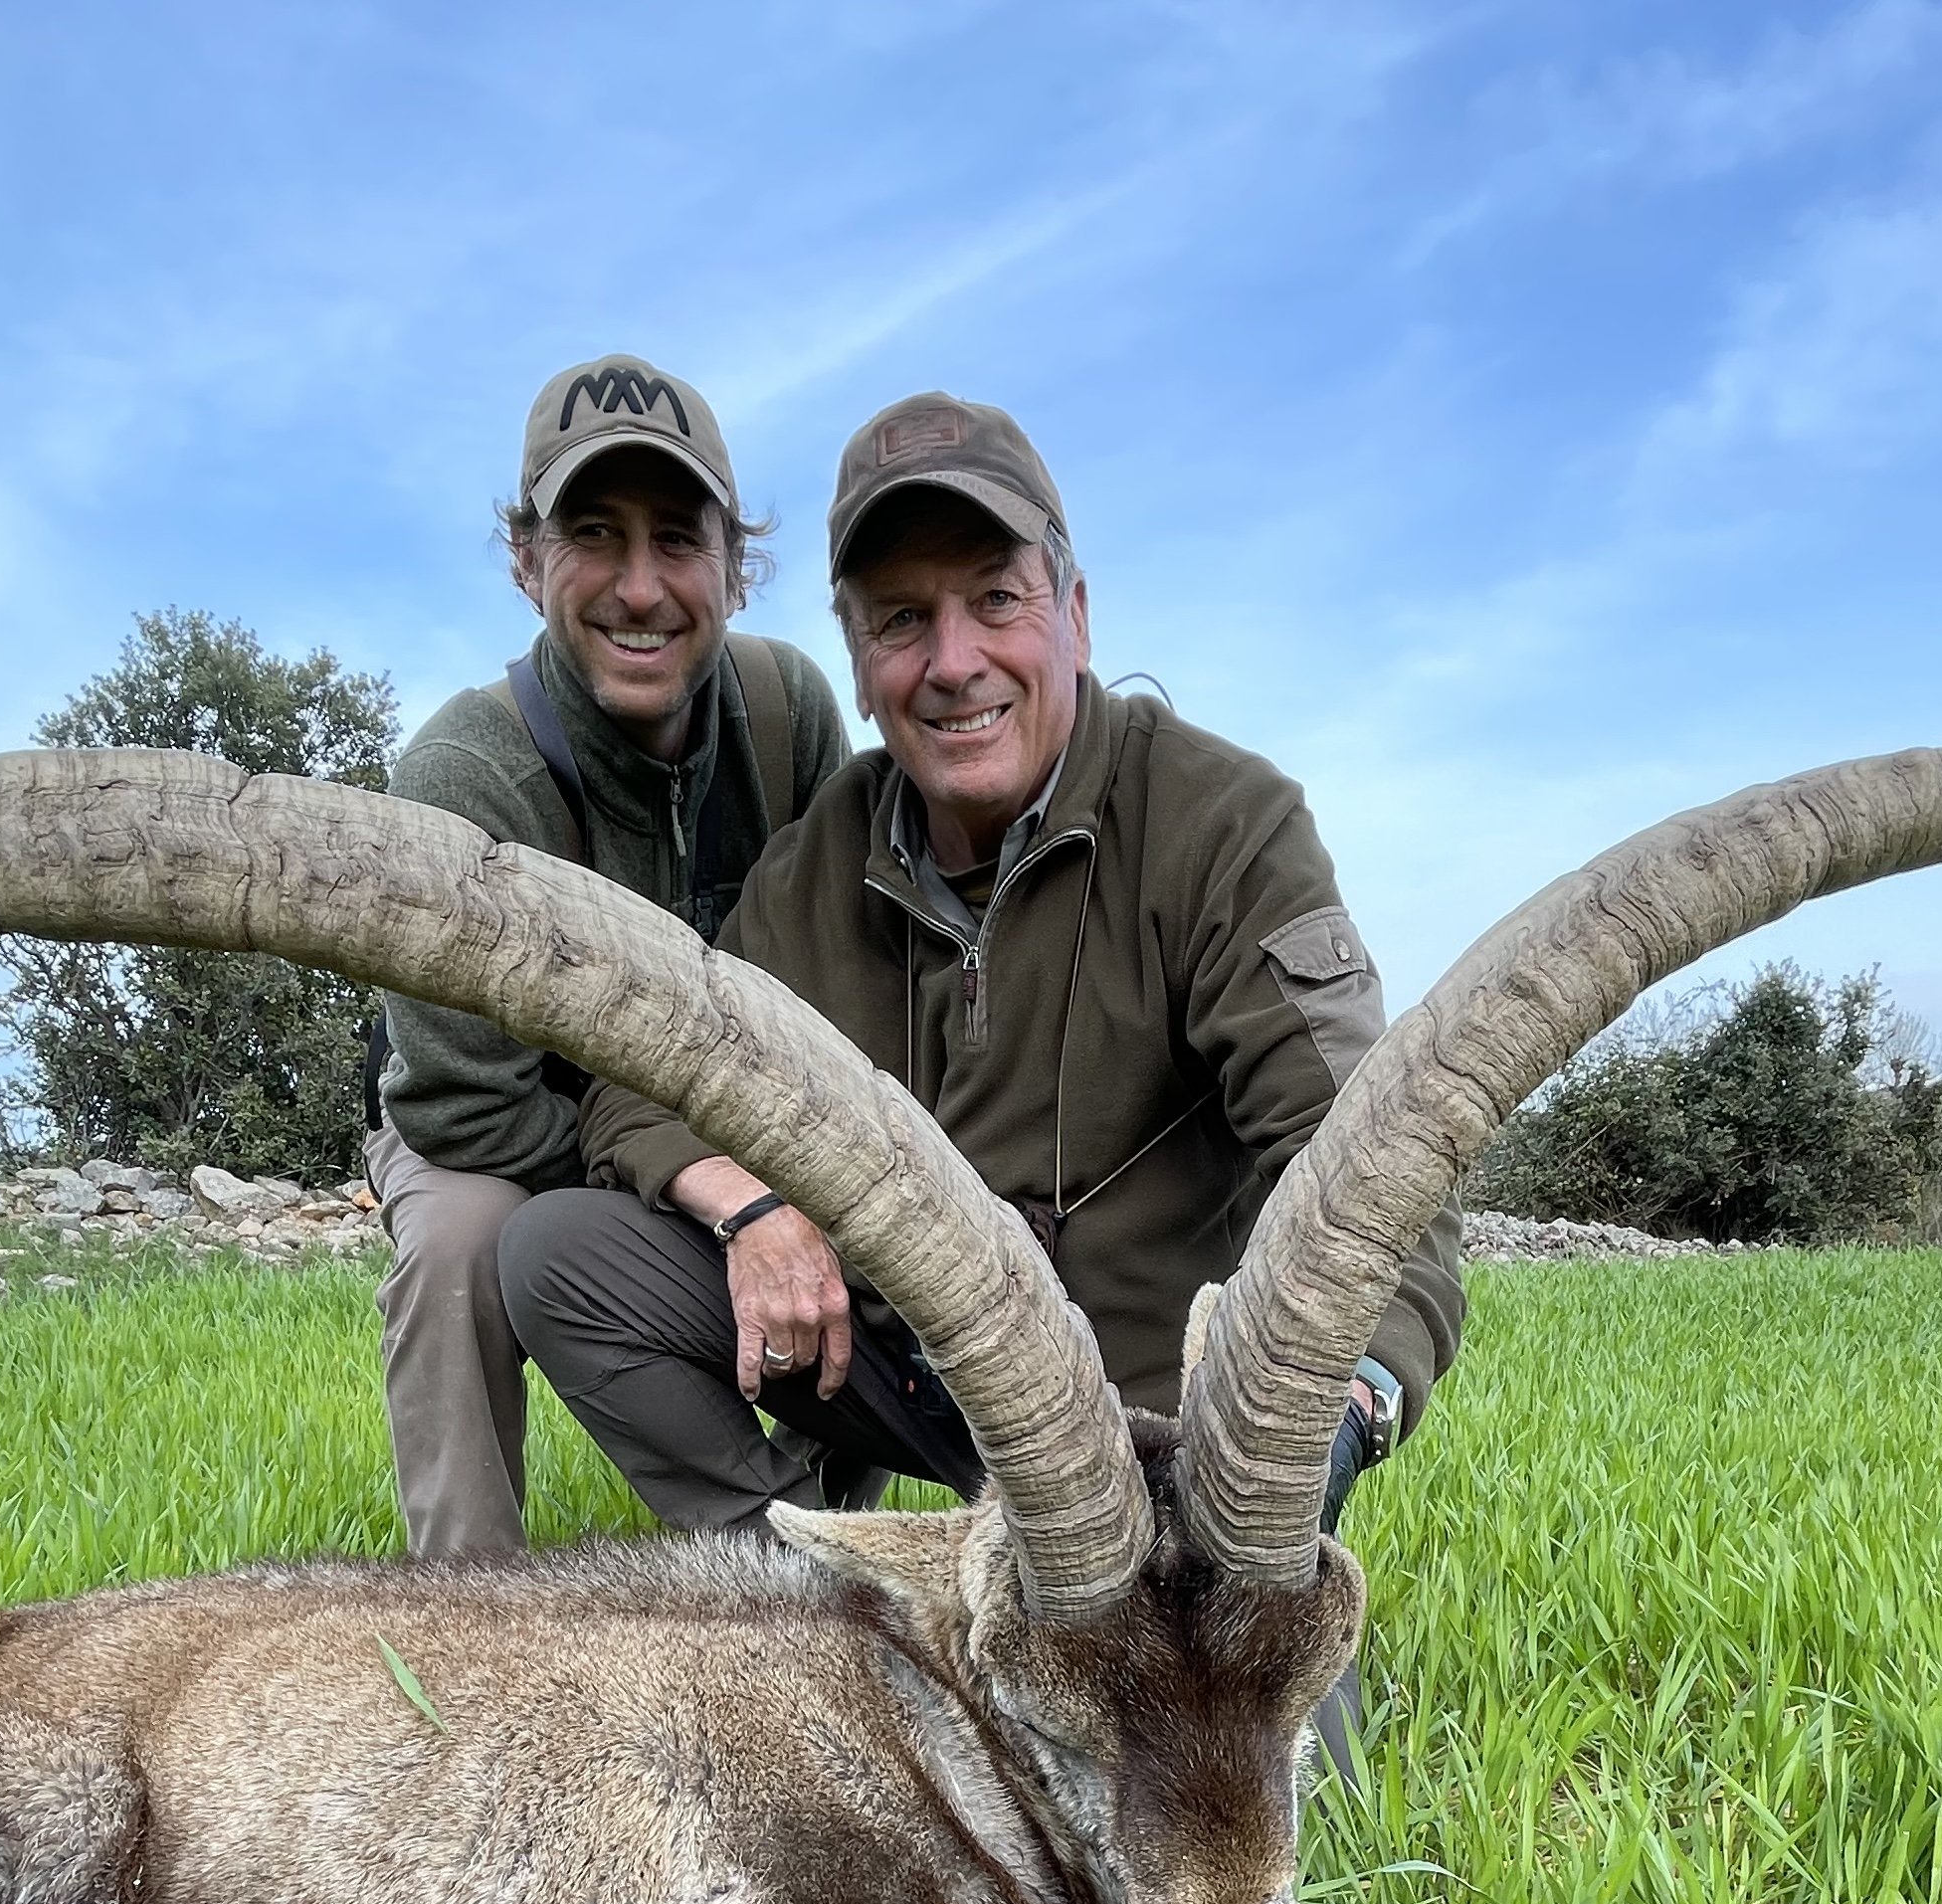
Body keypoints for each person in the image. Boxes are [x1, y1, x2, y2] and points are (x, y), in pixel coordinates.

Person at [499, 390, 1463, 1550]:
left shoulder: (1227, 826)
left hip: (1154, 1435)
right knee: (560, 1255)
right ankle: (817, 1615)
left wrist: (1326, 1418)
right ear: (856, 666)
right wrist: (750, 1206)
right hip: (907, 1369)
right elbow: (635, 1079)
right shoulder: (813, 867)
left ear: (1073, 615)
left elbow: (1371, 1169)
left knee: (1275, 1738)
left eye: (995, 600)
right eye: (900, 620)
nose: (953, 663)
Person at [360, 354, 850, 1558]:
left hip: (722, 1113)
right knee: (463, 1248)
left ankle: (807, 1554)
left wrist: (753, 1184)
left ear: (736, 564)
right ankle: (466, 1624)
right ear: (526, 559)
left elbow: (845, 999)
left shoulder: (790, 714)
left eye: (677, 539)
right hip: (497, 1119)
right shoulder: (459, 778)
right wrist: (686, 1182)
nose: (640, 587)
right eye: (592, 534)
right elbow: (462, 1103)